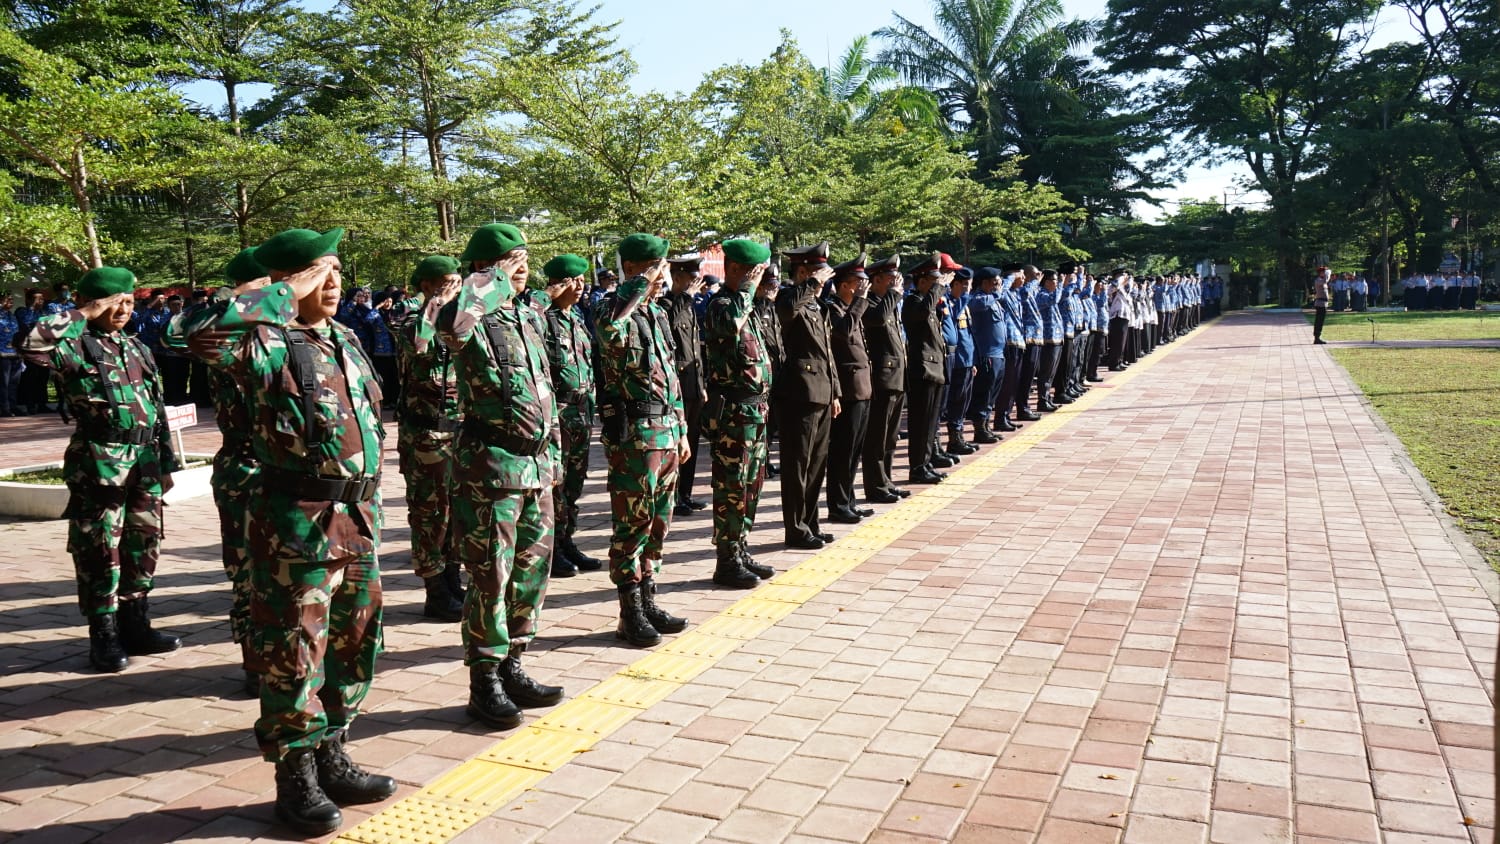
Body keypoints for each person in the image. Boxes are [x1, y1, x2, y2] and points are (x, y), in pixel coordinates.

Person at [188, 229, 394, 835]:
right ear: (286, 282)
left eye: (336, 270)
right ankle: (295, 772)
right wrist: (278, 293)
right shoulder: (263, 341)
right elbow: (193, 333)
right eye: (317, 273)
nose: (332, 283)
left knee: (356, 642)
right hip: (298, 527)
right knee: (295, 653)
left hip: (358, 520)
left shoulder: (345, 337)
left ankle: (334, 751)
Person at [21, 266, 183, 673]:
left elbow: (157, 410)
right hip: (100, 464)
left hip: (145, 464)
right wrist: (87, 312)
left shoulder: (137, 347)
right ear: (91, 304)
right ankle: (104, 634)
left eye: (127, 302)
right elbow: (30, 342)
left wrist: (166, 463)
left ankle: (136, 624)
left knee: (143, 546)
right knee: (99, 550)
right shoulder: (74, 345)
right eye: (113, 303)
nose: (123, 310)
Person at [439, 223, 567, 728]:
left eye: (524, 258)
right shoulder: (470, 311)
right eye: (510, 260)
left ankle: (514, 662)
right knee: (491, 576)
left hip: (535, 465)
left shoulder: (526, 315)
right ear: (483, 267)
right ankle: (484, 677)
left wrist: (554, 458)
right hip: (492, 466)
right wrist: (487, 281)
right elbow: (449, 328)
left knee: (532, 572)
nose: (522, 268)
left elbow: (543, 390)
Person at [165, 248, 268, 696]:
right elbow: (176, 336)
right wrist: (241, 299)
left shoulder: (281, 327)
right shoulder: (221, 324)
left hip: (289, 468)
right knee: (249, 572)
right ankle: (255, 661)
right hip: (245, 467)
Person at [595, 233, 691, 647]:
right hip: (635, 436)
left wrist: (682, 429)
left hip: (666, 431)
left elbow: (671, 378)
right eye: (656, 267)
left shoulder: (657, 314)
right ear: (633, 268)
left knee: (658, 524)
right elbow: (610, 327)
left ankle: (649, 599)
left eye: (663, 268)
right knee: (632, 525)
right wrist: (639, 282)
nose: (662, 276)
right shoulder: (611, 309)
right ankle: (629, 610)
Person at [394, 255, 467, 622]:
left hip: (458, 432)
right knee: (430, 514)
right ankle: (434, 589)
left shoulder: (459, 320)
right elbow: (418, 343)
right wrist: (438, 302)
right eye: (448, 282)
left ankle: (452, 577)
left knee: (456, 513)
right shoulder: (411, 320)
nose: (456, 288)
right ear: (427, 286)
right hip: (426, 435)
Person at [702, 239, 778, 587]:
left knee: (752, 485)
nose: (757, 278)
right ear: (734, 269)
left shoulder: (747, 305)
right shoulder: (721, 305)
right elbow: (730, 325)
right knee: (731, 487)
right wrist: (747, 290)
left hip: (755, 411)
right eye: (752, 271)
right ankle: (727, 559)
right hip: (734, 413)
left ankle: (741, 548)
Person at [538, 253, 603, 577]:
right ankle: (551, 549)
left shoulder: (575, 318)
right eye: (572, 281)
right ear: (556, 283)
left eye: (582, 280)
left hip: (581, 414)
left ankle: (567, 541)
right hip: (559, 417)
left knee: (574, 485)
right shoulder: (542, 319)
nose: (580, 286)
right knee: (556, 486)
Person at [775, 242, 841, 548]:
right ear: (802, 272)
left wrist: (835, 392)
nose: (823, 280)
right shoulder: (789, 297)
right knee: (797, 466)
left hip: (822, 392)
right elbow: (786, 310)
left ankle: (811, 522)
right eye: (818, 273)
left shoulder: (817, 305)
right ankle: (796, 528)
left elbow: (827, 353)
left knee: (816, 465)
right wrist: (812, 284)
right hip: (799, 393)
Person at [823, 252, 875, 525]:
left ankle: (849, 501)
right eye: (858, 283)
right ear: (844, 285)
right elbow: (843, 333)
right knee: (843, 450)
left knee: (854, 450)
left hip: (861, 388)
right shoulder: (833, 309)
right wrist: (859, 302)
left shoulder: (849, 308)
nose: (863, 288)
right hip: (848, 389)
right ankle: (838, 504)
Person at [861, 254, 910, 503]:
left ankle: (886, 480)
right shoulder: (869, 304)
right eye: (891, 278)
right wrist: (893, 295)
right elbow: (877, 320)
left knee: (891, 436)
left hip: (896, 376)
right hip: (882, 377)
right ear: (877, 280)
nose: (895, 283)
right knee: (877, 437)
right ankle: (875, 485)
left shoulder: (887, 302)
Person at [662, 254, 708, 517]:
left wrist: (701, 384)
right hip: (677, 385)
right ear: (677, 278)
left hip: (692, 384)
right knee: (678, 443)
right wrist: (686, 297)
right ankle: (675, 495)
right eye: (692, 278)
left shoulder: (688, 305)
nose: (696, 283)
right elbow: (669, 327)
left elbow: (695, 349)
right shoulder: (667, 304)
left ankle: (686, 494)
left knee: (692, 440)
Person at [902, 252, 950, 485]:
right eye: (934, 281)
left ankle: (926, 462)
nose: (939, 286)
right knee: (921, 423)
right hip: (922, 370)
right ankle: (917, 467)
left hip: (934, 369)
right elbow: (921, 312)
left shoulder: (927, 304)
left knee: (930, 423)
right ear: (922, 282)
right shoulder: (913, 302)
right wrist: (938, 290)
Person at [964, 267, 1005, 443]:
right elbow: (977, 305)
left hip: (998, 353)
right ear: (985, 282)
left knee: (992, 394)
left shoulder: (993, 299)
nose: (998, 285)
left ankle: (986, 426)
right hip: (986, 353)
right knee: (984, 393)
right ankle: (979, 429)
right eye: (995, 282)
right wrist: (996, 293)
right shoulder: (978, 298)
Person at [753, 265, 784, 478]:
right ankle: (760, 462)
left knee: (772, 423)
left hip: (777, 372)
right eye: (769, 287)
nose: (774, 291)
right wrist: (764, 301)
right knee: (762, 423)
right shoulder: (756, 308)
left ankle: (766, 460)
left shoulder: (773, 309)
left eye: (775, 286)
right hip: (762, 376)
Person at [943, 267, 977, 455]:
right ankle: (953, 439)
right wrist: (964, 295)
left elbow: (968, 334)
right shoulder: (950, 302)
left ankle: (958, 436)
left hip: (966, 359)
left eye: (968, 285)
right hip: (956, 361)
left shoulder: (962, 303)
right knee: (955, 401)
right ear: (954, 284)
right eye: (964, 285)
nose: (967, 289)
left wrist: (972, 361)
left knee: (964, 401)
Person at [0, 293, 20, 416]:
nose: (11, 302)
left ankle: (13, 406)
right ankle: (5, 408)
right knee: (4, 383)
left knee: (14, 383)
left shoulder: (12, 316)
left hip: (15, 353)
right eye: (8, 299)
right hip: (2, 354)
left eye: (12, 299)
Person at [1311, 267, 1330, 344]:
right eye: (1324, 272)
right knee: (1319, 321)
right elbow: (1325, 281)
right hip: (1320, 303)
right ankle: (1317, 338)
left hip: (1323, 303)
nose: (1325, 273)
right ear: (1320, 273)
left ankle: (1318, 337)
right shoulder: (1318, 280)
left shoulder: (1322, 280)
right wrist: (1328, 274)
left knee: (1320, 321)